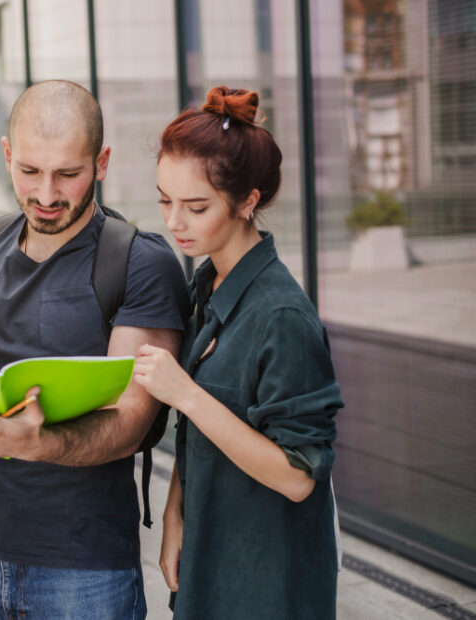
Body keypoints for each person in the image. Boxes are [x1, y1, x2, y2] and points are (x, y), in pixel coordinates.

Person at [0, 80, 189, 619]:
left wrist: (35, 443)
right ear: (7, 155)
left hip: (84, 570)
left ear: (101, 162)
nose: (45, 194)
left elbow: (129, 421)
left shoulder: (139, 263)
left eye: (68, 173)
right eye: (29, 171)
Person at [133, 86, 343, 619]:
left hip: (267, 581)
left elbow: (299, 476)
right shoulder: (209, 284)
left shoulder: (282, 317)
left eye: (196, 206)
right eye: (164, 200)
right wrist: (175, 513)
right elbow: (196, 436)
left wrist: (185, 393)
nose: (174, 221)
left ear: (249, 201)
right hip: (209, 554)